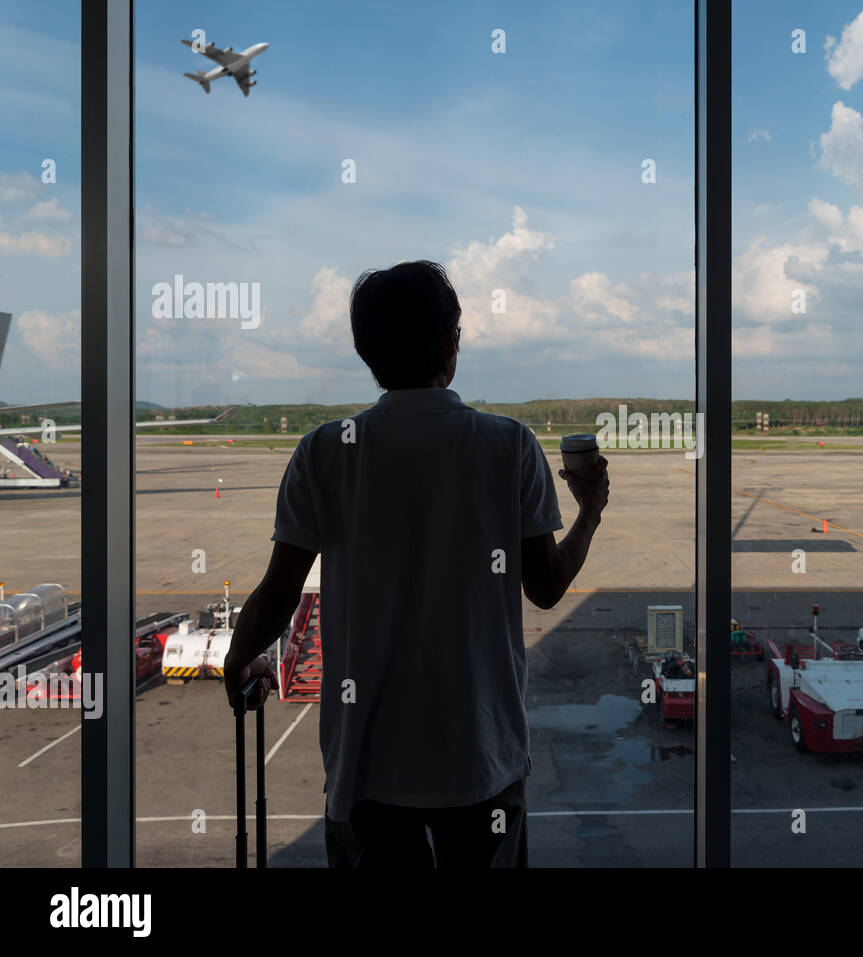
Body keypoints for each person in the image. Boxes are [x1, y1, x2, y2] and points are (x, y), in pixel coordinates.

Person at [223, 260, 609, 868]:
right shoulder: (509, 446)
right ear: (452, 344)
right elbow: (546, 587)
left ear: (365, 352)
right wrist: (590, 510)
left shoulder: (325, 451)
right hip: (481, 762)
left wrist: (238, 657)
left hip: (366, 772)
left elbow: (279, 593)